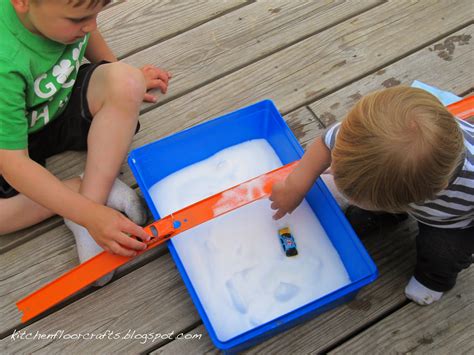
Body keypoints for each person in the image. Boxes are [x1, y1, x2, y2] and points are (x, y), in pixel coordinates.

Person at [0, 0, 171, 284]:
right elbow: (13, 163)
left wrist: (122, 73)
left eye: (94, 14)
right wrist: (90, 215)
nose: (91, 26)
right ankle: (76, 196)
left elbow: (88, 31)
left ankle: (92, 200)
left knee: (127, 82)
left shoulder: (65, 15)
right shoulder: (5, 61)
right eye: (77, 19)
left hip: (54, 106)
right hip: (8, 143)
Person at [270, 86, 474, 305]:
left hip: (454, 222)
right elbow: (323, 146)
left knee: (442, 252)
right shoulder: (359, 137)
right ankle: (387, 215)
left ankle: (434, 280)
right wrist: (295, 186)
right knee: (355, 220)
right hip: (405, 191)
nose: (333, 171)